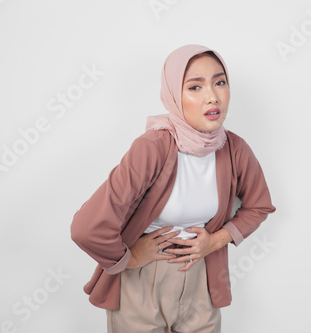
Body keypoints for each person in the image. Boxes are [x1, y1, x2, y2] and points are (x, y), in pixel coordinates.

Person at [71, 44, 276, 333]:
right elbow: (86, 227)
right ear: (173, 95)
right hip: (143, 283)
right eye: (195, 87)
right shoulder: (153, 147)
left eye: (220, 82)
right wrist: (129, 258)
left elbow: (259, 206)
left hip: (201, 280)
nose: (212, 96)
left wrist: (214, 241)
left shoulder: (234, 148)